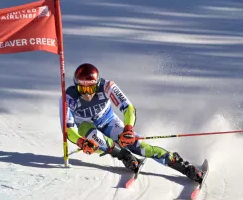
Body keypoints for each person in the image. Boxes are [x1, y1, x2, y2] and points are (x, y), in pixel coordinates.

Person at [60, 63, 203, 183]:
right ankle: (125, 156)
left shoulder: (107, 86)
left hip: (109, 122)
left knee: (140, 147)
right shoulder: (68, 98)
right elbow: (67, 129)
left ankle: (182, 166)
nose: (86, 93)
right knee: (92, 132)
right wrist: (81, 142)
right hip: (88, 133)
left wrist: (128, 129)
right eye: (82, 88)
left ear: (96, 85)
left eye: (90, 88)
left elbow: (128, 107)